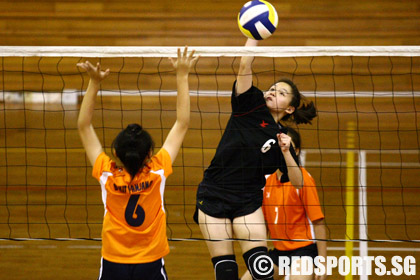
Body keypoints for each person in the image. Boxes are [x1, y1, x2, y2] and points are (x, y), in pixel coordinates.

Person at [195, 38, 317, 280]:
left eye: (282, 93)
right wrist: (253, 35)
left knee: (261, 271)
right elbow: (244, 66)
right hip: (214, 194)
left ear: (290, 109)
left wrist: (286, 152)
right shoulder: (248, 105)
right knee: (226, 271)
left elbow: (298, 181)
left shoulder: (282, 138)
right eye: (273, 88)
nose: (273, 92)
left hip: (247, 201)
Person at [77, 47, 198, 280]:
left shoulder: (107, 174)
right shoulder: (157, 170)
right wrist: (182, 75)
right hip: (150, 261)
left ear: (115, 153)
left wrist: (94, 82)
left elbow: (84, 126)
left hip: (114, 261)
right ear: (150, 153)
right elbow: (182, 123)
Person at [241, 127, 327, 280]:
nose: (283, 151)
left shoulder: (303, 180)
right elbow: (265, 223)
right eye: (279, 147)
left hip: (304, 251)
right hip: (279, 252)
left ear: (297, 151)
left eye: (288, 147)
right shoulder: (266, 180)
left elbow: (318, 221)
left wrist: (322, 262)